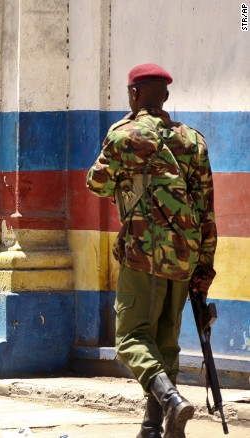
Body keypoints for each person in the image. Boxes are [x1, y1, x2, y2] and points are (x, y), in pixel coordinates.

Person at [86, 64, 217, 438]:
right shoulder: (193, 141)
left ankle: (171, 401)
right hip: (184, 257)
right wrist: (203, 268)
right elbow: (207, 209)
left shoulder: (124, 136)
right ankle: (153, 427)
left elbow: (96, 183)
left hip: (142, 253)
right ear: (166, 97)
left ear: (133, 94)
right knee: (165, 344)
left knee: (130, 340)